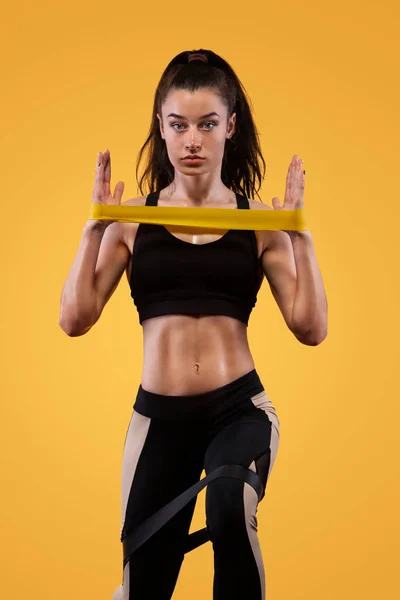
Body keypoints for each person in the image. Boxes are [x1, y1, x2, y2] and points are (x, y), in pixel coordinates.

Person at [59, 49, 327, 600]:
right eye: (178, 125)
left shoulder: (260, 224)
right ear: (161, 128)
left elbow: (310, 326)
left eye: (207, 124)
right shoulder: (133, 218)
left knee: (230, 502)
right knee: (143, 586)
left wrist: (301, 234)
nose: (192, 141)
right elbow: (74, 319)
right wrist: (93, 226)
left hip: (238, 411)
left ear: (230, 126)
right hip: (158, 420)